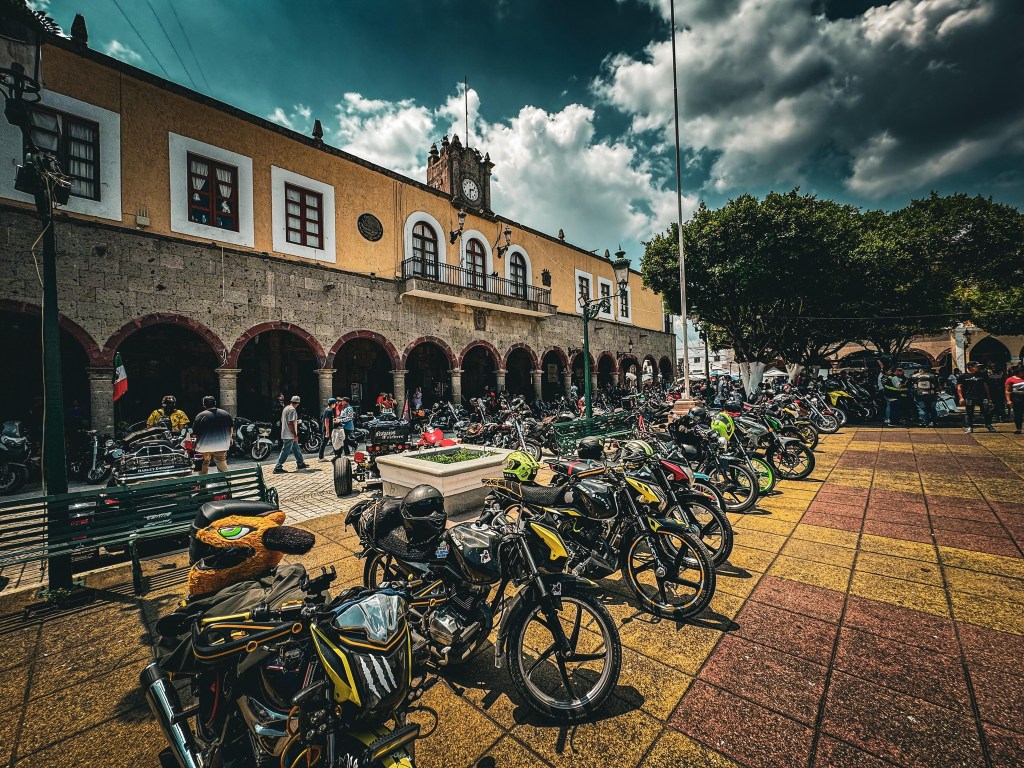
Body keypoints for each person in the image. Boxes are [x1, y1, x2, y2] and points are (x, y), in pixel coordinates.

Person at [193, 395, 232, 474]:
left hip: (204, 446)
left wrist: (194, 443)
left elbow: (195, 433)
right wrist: (230, 438)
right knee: (221, 461)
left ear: (204, 404)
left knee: (204, 463)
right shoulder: (225, 414)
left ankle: (202, 483)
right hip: (221, 444)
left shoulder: (200, 416)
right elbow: (231, 428)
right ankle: (227, 481)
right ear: (215, 403)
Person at [274, 395, 309, 473]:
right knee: (286, 450)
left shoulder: (286, 408)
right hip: (289, 434)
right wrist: (295, 434)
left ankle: (300, 463)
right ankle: (278, 466)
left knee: (296, 448)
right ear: (298, 403)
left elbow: (286, 420)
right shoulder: (292, 410)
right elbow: (290, 423)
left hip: (285, 432)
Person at [957, 362, 994, 433]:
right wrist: (961, 397)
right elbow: (959, 387)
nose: (978, 367)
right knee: (969, 412)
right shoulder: (963, 376)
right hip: (969, 396)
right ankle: (969, 426)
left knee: (986, 411)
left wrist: (989, 397)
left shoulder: (982, 375)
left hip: (981, 396)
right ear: (970, 367)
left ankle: (988, 424)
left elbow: (986, 386)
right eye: (976, 366)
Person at [1004, 365, 1024, 435]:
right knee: (1018, 413)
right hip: (1017, 397)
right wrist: (1008, 400)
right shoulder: (1010, 379)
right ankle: (1018, 428)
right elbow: (1007, 391)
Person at [318, 397, 338, 461]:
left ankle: (337, 455)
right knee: (324, 443)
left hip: (328, 429)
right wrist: (327, 431)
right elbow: (326, 420)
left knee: (333, 442)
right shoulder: (329, 411)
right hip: (328, 429)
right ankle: (321, 457)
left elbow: (322, 419)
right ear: (333, 404)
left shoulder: (327, 410)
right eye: (335, 403)